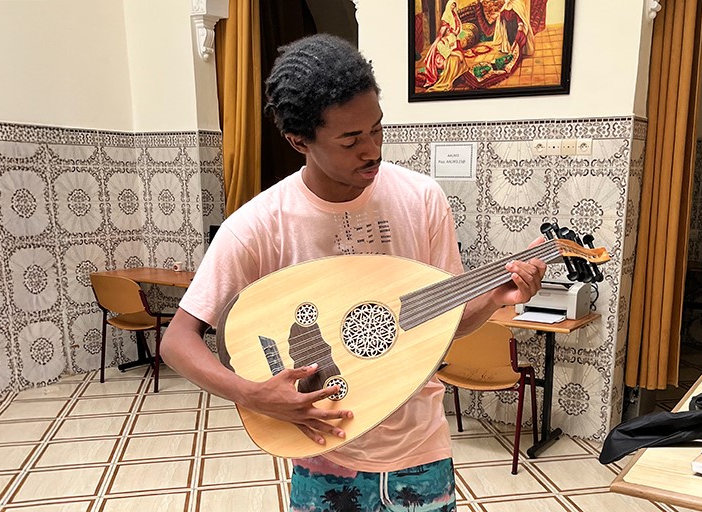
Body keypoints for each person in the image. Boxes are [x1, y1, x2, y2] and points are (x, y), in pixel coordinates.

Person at [159, 34, 547, 511]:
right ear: (299, 140)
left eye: (377, 130)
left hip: (420, 451)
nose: (372, 150)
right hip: (325, 453)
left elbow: (447, 323)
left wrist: (493, 297)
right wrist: (254, 395)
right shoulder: (258, 226)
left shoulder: (422, 200)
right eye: (351, 139)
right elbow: (177, 341)